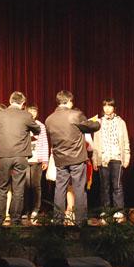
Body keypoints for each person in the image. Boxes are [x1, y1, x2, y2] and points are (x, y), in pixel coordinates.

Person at [45, 90, 100, 225]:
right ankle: (80, 221)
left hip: (60, 159)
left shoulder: (49, 119)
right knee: (79, 189)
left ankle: (58, 220)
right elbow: (92, 126)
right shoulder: (75, 115)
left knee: (60, 189)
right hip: (76, 159)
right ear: (69, 101)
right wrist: (97, 122)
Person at [0, 91, 41, 226]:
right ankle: (16, 220)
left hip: (4, 156)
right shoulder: (26, 115)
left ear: (10, 101)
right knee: (18, 189)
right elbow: (38, 130)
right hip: (20, 156)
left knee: (2, 188)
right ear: (23, 103)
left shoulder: (0, 115)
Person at [92, 98, 131, 221]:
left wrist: (126, 157)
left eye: (110, 106)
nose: (107, 108)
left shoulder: (120, 122)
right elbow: (95, 143)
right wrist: (95, 159)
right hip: (103, 158)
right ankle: (106, 210)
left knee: (117, 185)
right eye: (105, 106)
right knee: (104, 186)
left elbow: (125, 140)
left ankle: (118, 210)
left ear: (114, 108)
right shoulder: (98, 122)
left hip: (117, 157)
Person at [25, 105, 49, 221]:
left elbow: (44, 143)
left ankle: (36, 209)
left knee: (36, 185)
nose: (32, 113)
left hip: (37, 159)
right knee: (25, 185)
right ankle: (26, 210)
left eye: (34, 111)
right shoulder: (23, 123)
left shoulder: (41, 126)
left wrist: (45, 160)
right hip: (24, 159)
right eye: (30, 111)